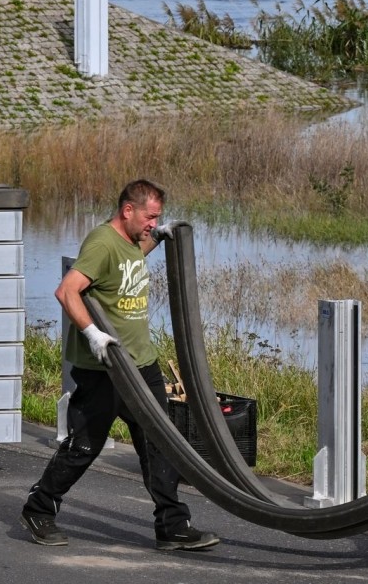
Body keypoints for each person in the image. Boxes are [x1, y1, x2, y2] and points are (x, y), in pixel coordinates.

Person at [19, 179, 219, 551]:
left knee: (162, 443)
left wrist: (159, 236)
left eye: (157, 217)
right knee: (84, 446)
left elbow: (133, 257)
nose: (152, 222)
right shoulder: (102, 243)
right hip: (106, 369)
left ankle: (172, 526)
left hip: (142, 364)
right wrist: (93, 334)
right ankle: (38, 508)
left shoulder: (129, 243)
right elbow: (67, 290)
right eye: (150, 216)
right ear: (128, 210)